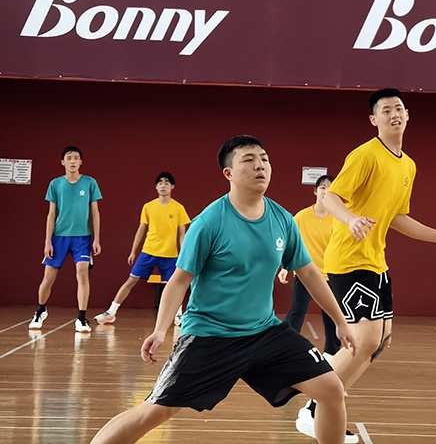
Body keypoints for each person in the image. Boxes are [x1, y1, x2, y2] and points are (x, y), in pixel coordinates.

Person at [90, 135, 359, 444]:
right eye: (249, 160)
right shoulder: (209, 222)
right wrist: (161, 329)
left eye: (264, 159)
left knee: (331, 388)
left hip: (264, 332)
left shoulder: (283, 219)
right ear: (228, 173)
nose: (260, 166)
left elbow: (309, 272)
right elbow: (179, 280)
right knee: (155, 412)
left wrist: (340, 321)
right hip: (210, 335)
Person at [296, 88, 436, 437]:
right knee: (364, 341)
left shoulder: (408, 165)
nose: (394, 114)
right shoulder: (365, 155)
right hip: (349, 259)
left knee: (379, 341)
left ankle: (321, 405)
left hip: (376, 261)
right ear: (374, 119)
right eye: (386, 110)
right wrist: (351, 220)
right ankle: (314, 409)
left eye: (399, 108)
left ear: (408, 115)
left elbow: (397, 217)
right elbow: (331, 197)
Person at [95, 172, 191, 326]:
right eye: (160, 182)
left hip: (170, 255)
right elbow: (141, 229)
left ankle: (178, 315)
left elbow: (182, 233)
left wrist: (183, 253)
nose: (163, 185)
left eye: (167, 182)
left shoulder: (178, 208)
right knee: (131, 280)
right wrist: (133, 251)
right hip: (148, 252)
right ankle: (111, 312)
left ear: (172, 186)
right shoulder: (148, 207)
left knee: (175, 285)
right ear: (156, 187)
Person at [30, 146, 102, 333]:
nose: (72, 161)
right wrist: (47, 241)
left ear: (81, 162)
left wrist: (96, 239)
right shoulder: (55, 184)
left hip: (82, 238)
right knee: (48, 279)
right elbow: (51, 214)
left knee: (82, 273)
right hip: (59, 238)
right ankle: (40, 311)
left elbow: (95, 212)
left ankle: (81, 318)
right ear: (63, 162)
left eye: (76, 158)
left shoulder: (90, 182)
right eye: (69, 158)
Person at [278, 174, 341, 356]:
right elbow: (291, 242)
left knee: (331, 314)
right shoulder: (301, 217)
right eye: (322, 187)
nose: (325, 191)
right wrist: (285, 267)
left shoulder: (339, 218)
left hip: (330, 274)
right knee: (297, 311)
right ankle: (285, 346)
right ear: (315, 191)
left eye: (330, 188)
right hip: (305, 272)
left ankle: (332, 352)